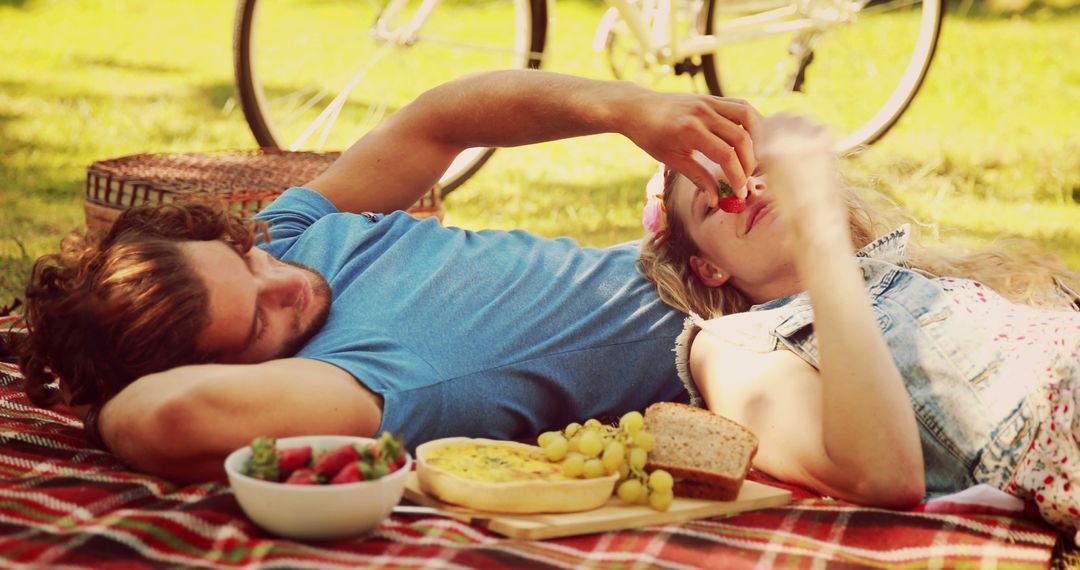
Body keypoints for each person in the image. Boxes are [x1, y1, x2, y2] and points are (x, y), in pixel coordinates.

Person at [17, 70, 763, 483]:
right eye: (256, 325)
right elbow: (166, 419)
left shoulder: (288, 242)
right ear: (220, 369)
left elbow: (436, 122)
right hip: (760, 336)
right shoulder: (349, 380)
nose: (288, 287)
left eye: (246, 260)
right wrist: (102, 401)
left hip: (716, 253)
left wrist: (626, 107)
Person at [638, 113, 1080, 536]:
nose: (750, 187)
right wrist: (819, 237)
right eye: (716, 198)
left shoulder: (899, 272)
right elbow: (881, 475)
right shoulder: (726, 347)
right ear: (709, 268)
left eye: (760, 166)